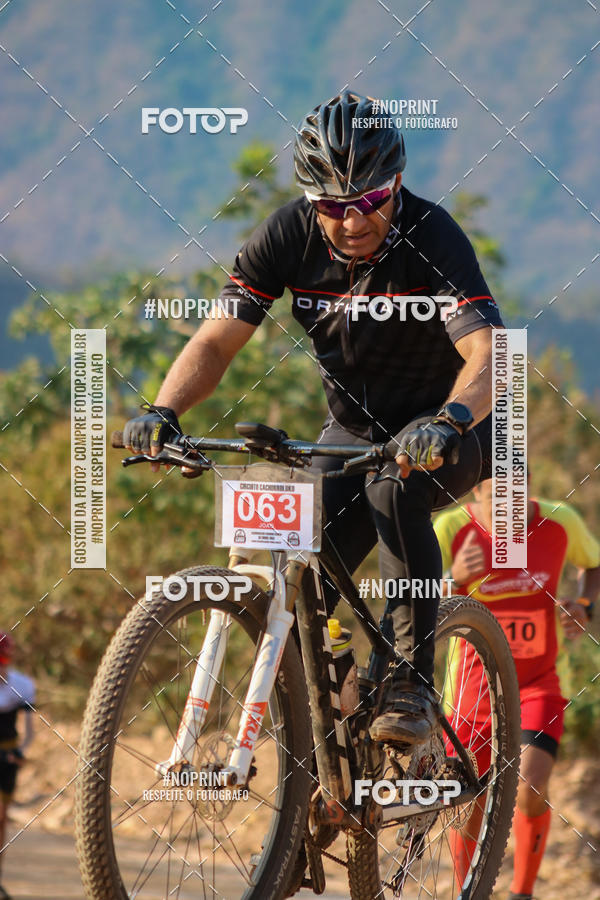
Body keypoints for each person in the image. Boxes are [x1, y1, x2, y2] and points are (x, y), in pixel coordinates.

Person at [123, 91, 504, 745]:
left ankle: (409, 682)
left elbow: (490, 352)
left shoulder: (433, 236)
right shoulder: (286, 235)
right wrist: (163, 409)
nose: (352, 221)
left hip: (453, 427)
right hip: (352, 430)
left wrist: (449, 419)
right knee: (298, 554)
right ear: (309, 199)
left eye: (369, 202)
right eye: (332, 206)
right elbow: (216, 340)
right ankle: (342, 719)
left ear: (398, 184)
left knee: (395, 488)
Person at [434, 476, 600, 900]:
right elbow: (411, 595)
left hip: (539, 682)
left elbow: (593, 564)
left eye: (517, 498)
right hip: (471, 690)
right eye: (495, 499)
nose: (507, 511)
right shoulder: (452, 529)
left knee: (530, 786)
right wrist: (453, 577)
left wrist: (585, 604)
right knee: (468, 802)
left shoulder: (560, 522)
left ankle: (522, 892)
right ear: (476, 493)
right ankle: (467, 893)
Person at [0, 632, 35, 900]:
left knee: (1, 819)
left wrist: (20, 752)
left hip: (7, 755)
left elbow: (30, 730)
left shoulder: (22, 685)